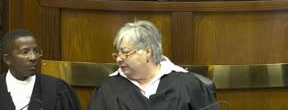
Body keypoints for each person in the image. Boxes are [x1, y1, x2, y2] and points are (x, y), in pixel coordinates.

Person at [87, 20, 216, 110]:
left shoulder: (187, 84)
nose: (119, 59)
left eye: (125, 53)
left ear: (147, 52)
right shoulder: (107, 90)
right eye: (117, 54)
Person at [0, 29, 81, 110]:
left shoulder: (58, 90)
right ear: (7, 59)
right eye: (25, 52)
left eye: (36, 51)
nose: (33, 57)